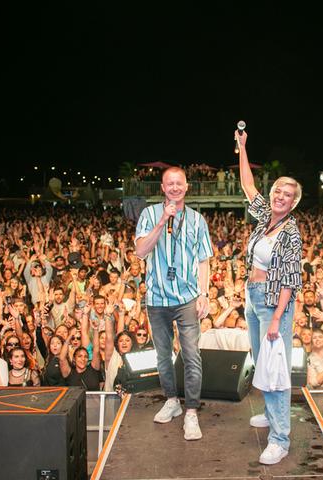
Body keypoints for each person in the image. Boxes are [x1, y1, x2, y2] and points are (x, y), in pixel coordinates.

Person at [238, 129, 303, 465]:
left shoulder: (291, 231)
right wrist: (243, 148)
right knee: (261, 358)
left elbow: (292, 278)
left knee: (276, 372)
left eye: (287, 193)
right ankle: (267, 413)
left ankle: (280, 439)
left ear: (294, 202)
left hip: (273, 303)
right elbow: (249, 186)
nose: (280, 195)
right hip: (253, 298)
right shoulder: (266, 219)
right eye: (278, 189)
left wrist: (277, 317)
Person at [135, 166, 213, 441]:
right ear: (163, 187)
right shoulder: (149, 214)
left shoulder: (197, 220)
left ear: (187, 186)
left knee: (191, 355)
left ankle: (191, 411)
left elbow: (204, 259)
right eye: (170, 183)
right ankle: (172, 401)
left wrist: (204, 293)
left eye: (179, 183)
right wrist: (161, 221)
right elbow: (141, 251)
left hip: (187, 299)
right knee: (163, 355)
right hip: (156, 299)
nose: (175, 187)